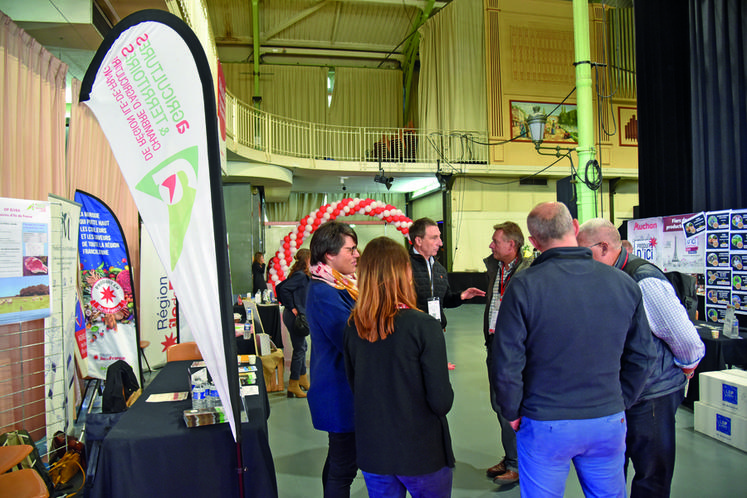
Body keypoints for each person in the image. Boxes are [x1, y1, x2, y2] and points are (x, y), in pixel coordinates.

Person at [491, 202, 657, 497]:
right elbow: (642, 356)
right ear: (576, 227)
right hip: (607, 419)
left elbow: (506, 362)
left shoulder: (523, 286)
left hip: (544, 421)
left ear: (533, 242)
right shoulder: (624, 283)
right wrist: (620, 400)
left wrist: (511, 410)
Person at [577, 218, 705, 498]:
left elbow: (685, 339)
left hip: (651, 395)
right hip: (616, 394)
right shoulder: (602, 278)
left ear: (603, 247)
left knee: (651, 475)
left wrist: (686, 366)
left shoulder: (643, 279)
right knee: (610, 471)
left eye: (582, 250)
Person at [344, 236, 454, 498]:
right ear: (404, 272)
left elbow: (355, 386)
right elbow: (441, 402)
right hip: (420, 453)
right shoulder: (424, 326)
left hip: (375, 451)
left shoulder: (353, 327)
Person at [305, 221, 360, 497]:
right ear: (329, 254)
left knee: (340, 462)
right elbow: (349, 340)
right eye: (350, 249)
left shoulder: (340, 286)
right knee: (343, 468)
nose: (356, 255)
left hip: (343, 390)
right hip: (339, 392)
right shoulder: (324, 292)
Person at [483, 221, 531, 485]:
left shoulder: (528, 273)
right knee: (498, 405)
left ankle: (517, 464)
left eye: (495, 241)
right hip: (494, 347)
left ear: (511, 244)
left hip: (515, 351)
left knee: (511, 407)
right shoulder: (496, 269)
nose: (491, 245)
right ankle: (510, 457)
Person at [409, 218, 485, 368]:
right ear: (418, 240)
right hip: (410, 336)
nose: (441, 243)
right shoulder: (401, 267)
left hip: (434, 334)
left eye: (440, 237)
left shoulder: (440, 270)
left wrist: (461, 296)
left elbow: (445, 300)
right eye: (434, 238)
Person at [276, 248, 312, 399]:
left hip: (292, 316)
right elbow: (282, 289)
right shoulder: (300, 276)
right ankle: (293, 384)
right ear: (306, 260)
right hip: (294, 317)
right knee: (299, 349)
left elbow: (281, 287)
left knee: (302, 346)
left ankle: (302, 378)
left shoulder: (301, 275)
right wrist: (293, 307)